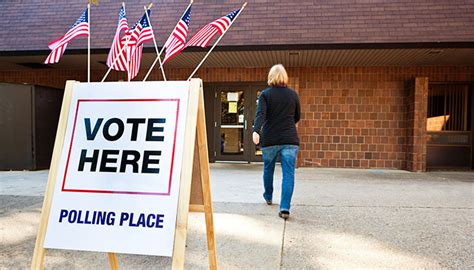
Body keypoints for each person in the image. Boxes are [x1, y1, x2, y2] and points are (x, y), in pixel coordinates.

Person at [252, 64, 300, 220]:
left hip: (270, 139)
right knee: (288, 173)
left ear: (271, 77)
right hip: (289, 139)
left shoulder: (265, 95)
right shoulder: (293, 95)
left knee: (268, 169)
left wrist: (256, 130)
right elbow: (297, 117)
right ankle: (285, 207)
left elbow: (261, 115)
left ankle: (268, 196)